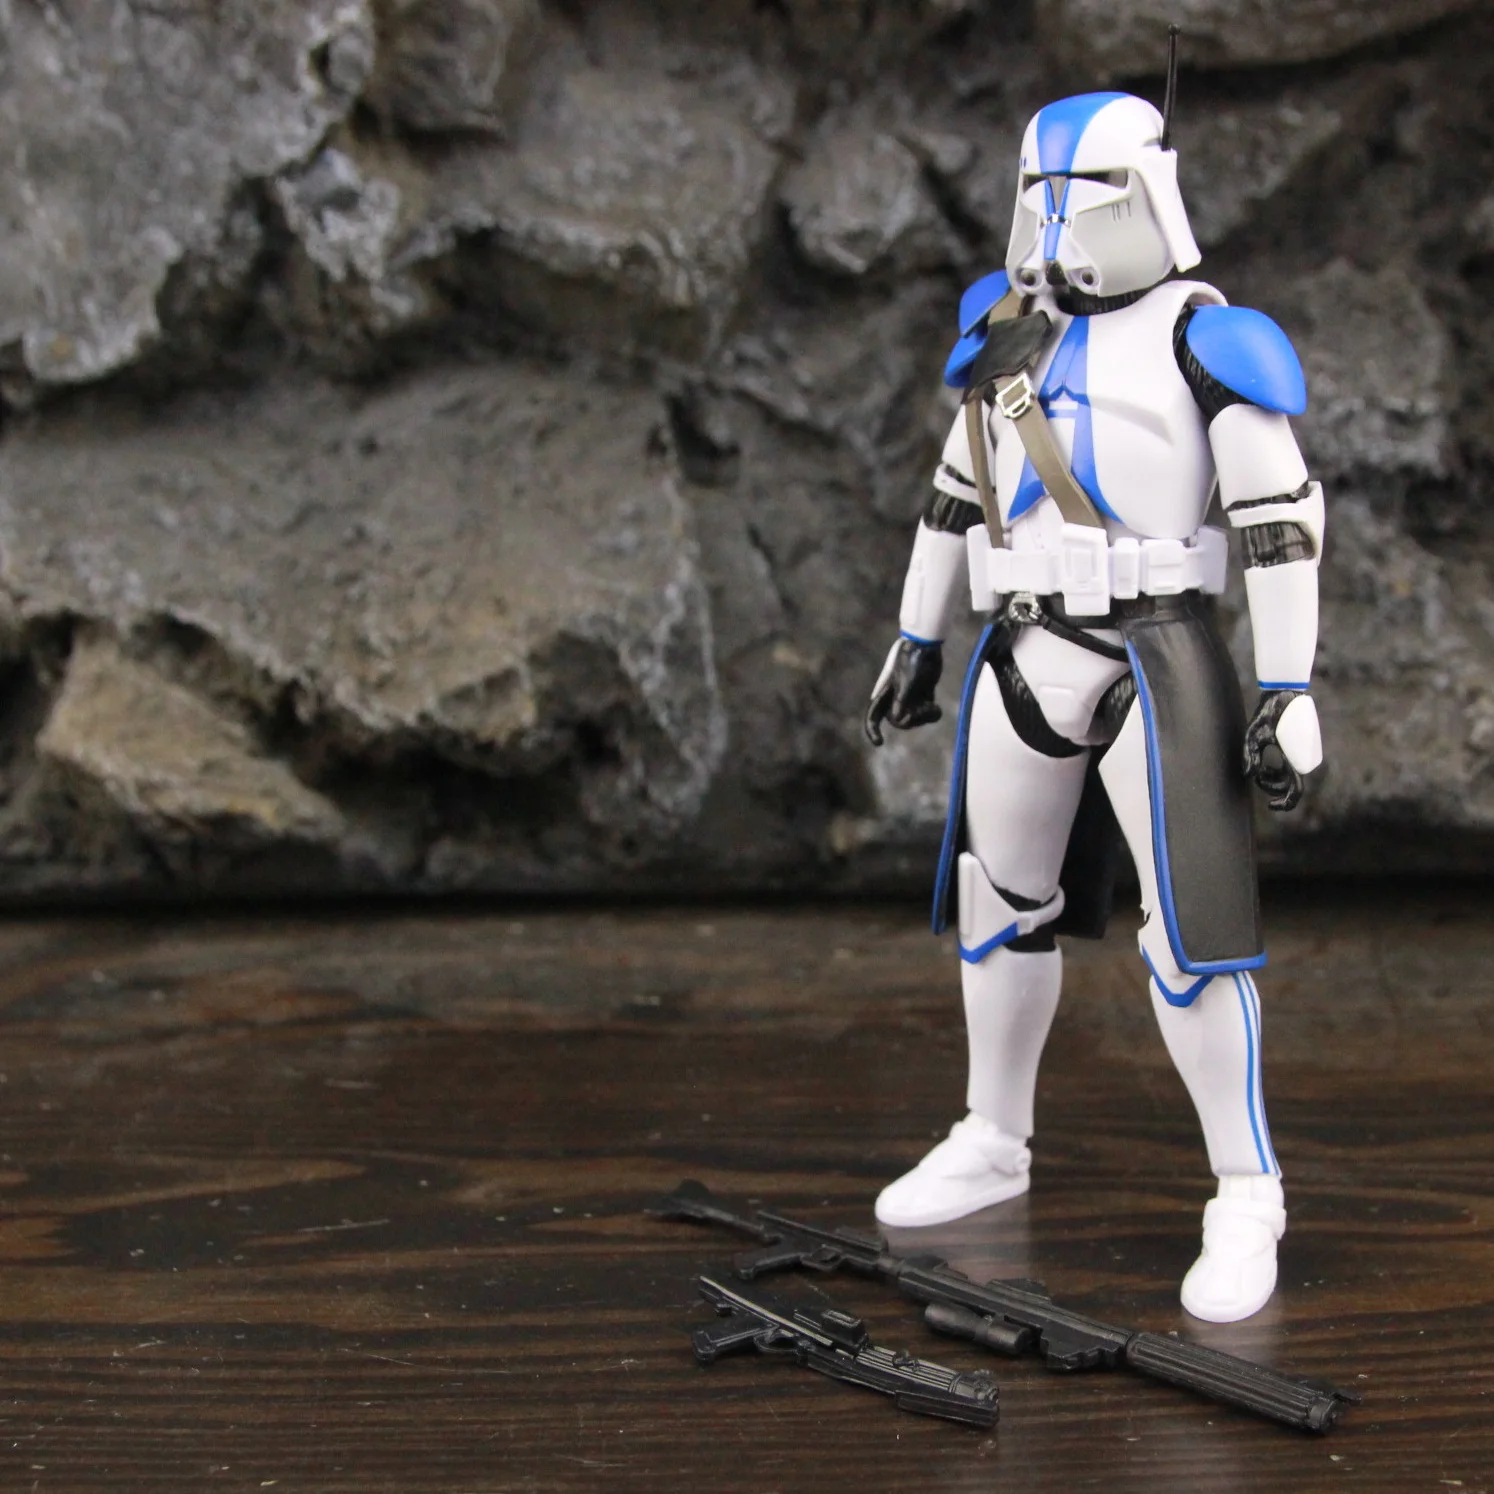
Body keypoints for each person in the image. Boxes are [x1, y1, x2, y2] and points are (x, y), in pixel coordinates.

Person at [864, 91, 1324, 1324]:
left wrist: (1289, 687)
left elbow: (1282, 526)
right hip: (1023, 648)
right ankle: (993, 1135)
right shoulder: (1003, 328)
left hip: (1152, 654)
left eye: (1088, 195)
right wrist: (916, 635)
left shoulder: (1209, 343)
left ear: (1149, 195)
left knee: (1192, 938)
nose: (1060, 220)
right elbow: (952, 497)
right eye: (1043, 195)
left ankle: (1247, 1189)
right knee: (995, 900)